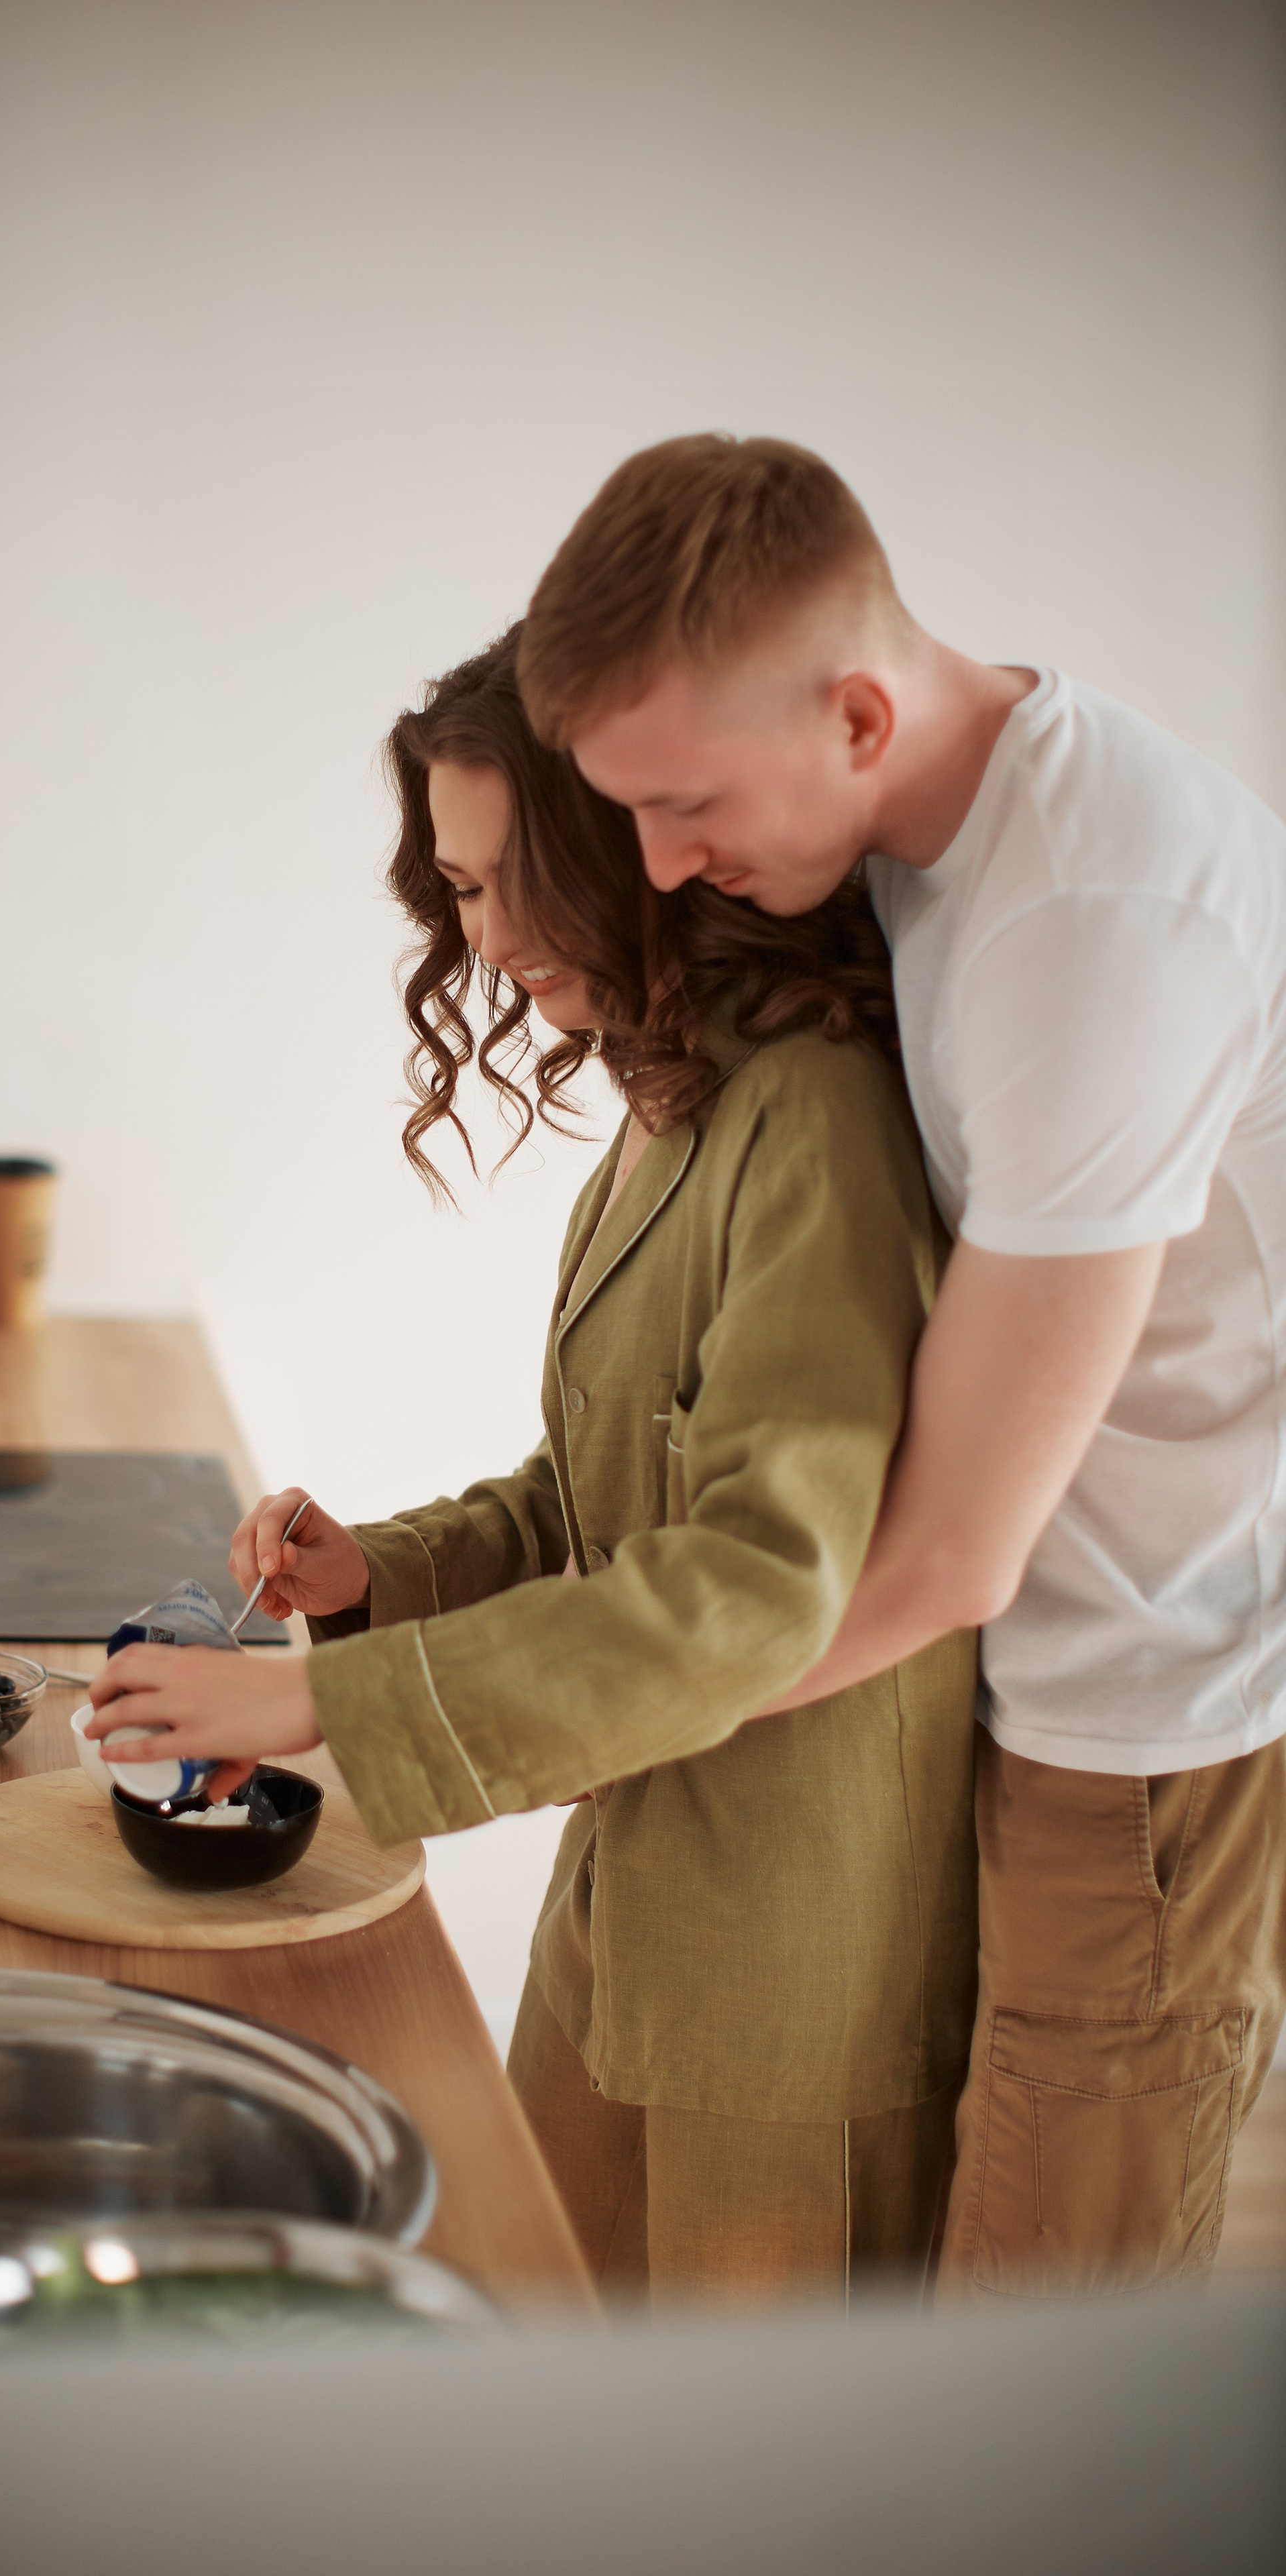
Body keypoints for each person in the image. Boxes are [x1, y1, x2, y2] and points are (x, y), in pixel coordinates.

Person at [87, 628, 977, 2307]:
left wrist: (310, 1712)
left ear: (625, 842)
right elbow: (598, 1490)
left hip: (790, 1960)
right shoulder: (675, 1097)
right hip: (630, 1906)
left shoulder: (818, 1124)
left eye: (500, 884)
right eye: (454, 891)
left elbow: (745, 1585)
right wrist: (377, 1577)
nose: (478, 940)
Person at [510, 432, 1286, 2298]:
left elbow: (950, 1558)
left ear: (859, 711)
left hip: (1148, 1721)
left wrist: (563, 1713)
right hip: (1009, 1685)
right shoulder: (922, 827)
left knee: (1045, 2355)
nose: (661, 863)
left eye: (685, 804)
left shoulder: (1094, 928)